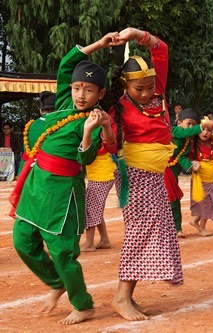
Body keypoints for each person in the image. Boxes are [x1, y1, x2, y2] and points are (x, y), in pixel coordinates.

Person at [11, 32, 119, 325]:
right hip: (37, 186)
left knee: (62, 253)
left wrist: (87, 133)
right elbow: (65, 65)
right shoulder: (61, 104)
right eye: (76, 88)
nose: (81, 95)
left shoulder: (94, 120)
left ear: (100, 94)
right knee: (22, 242)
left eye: (88, 90)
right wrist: (99, 45)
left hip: (63, 192)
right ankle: (56, 282)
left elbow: (85, 159)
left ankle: (82, 304)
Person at [108, 27, 186, 321]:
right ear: (124, 86)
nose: (146, 92)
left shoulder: (159, 94)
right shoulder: (119, 109)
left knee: (153, 230)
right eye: (138, 89)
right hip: (134, 175)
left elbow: (161, 49)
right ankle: (121, 297)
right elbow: (112, 146)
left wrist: (136, 34)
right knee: (139, 231)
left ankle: (128, 295)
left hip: (155, 174)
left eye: (149, 86)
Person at [169, 108, 213, 237]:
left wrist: (191, 166)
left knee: (174, 199)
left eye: (193, 124)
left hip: (172, 171)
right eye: (188, 123)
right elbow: (185, 133)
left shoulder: (188, 142)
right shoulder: (175, 131)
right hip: (159, 169)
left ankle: (177, 229)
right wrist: (202, 126)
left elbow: (182, 157)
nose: (191, 127)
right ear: (179, 123)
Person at [189, 119, 213, 236]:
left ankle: (195, 221)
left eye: (209, 130)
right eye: (202, 129)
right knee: (206, 204)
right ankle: (201, 228)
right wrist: (194, 164)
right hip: (201, 179)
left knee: (206, 203)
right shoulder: (193, 144)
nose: (205, 133)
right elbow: (189, 158)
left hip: (210, 179)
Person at [80, 142, 116, 252]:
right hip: (100, 173)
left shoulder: (97, 132)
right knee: (95, 207)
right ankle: (104, 240)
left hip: (101, 174)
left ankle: (89, 243)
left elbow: (95, 149)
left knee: (91, 208)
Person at [19, 91, 56, 173]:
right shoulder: (59, 124)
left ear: (40, 111)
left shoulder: (30, 125)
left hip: (27, 168)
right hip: (48, 169)